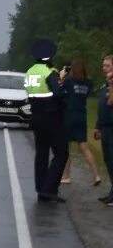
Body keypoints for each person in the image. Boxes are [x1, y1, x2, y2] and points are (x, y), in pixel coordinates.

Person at [25, 39, 68, 203]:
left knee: (41, 153)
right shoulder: (51, 71)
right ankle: (49, 188)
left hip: (35, 116)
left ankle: (40, 188)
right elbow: (57, 93)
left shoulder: (29, 72)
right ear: (50, 56)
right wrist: (61, 82)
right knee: (62, 152)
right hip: (52, 117)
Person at [60, 60, 100, 187]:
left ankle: (66, 176)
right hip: (82, 116)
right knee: (84, 147)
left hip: (69, 115)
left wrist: (61, 76)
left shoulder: (69, 81)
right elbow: (86, 95)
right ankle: (96, 175)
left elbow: (59, 89)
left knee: (66, 147)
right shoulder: (89, 83)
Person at [95, 54, 113, 205]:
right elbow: (102, 108)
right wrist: (97, 126)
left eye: (107, 66)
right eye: (103, 65)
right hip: (105, 126)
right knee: (107, 160)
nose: (104, 68)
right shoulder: (104, 85)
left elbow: (110, 103)